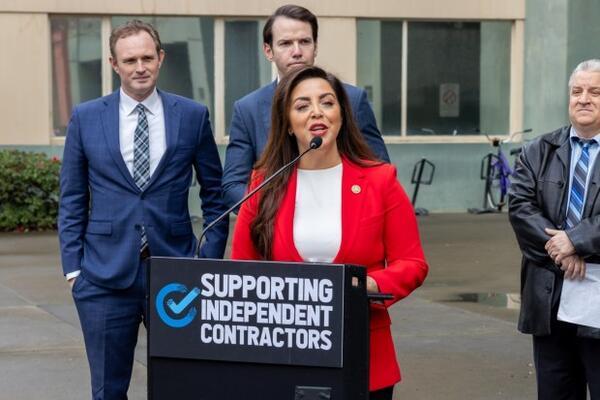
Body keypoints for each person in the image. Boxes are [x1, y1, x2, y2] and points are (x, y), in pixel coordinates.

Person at [230, 66, 427, 399]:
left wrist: (372, 285)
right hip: (282, 355)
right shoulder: (263, 186)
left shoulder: (380, 181)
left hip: (363, 354)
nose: (316, 112)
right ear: (288, 123)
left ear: (342, 115)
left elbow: (412, 262)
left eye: (327, 102)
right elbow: (243, 272)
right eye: (302, 105)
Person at [58, 20, 228, 399]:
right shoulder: (86, 117)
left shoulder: (192, 115)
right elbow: (71, 197)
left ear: (161, 58)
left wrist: (207, 261)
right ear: (114, 64)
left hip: (176, 274)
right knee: (107, 389)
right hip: (102, 278)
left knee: (181, 385)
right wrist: (74, 269)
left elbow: (214, 194)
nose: (140, 67)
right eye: (130, 59)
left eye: (147, 57)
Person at [222, 4, 390, 209]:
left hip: (346, 224)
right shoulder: (247, 109)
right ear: (268, 50)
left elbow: (379, 170)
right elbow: (233, 185)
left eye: (304, 42)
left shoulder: (352, 100)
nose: (297, 52)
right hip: (275, 232)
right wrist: (276, 212)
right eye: (285, 43)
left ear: (315, 46)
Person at [509, 59, 600, 400]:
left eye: (595, 91)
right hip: (549, 293)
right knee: (556, 389)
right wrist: (563, 253)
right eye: (577, 91)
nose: (584, 99)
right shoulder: (539, 150)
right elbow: (520, 208)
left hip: (598, 297)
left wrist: (576, 240)